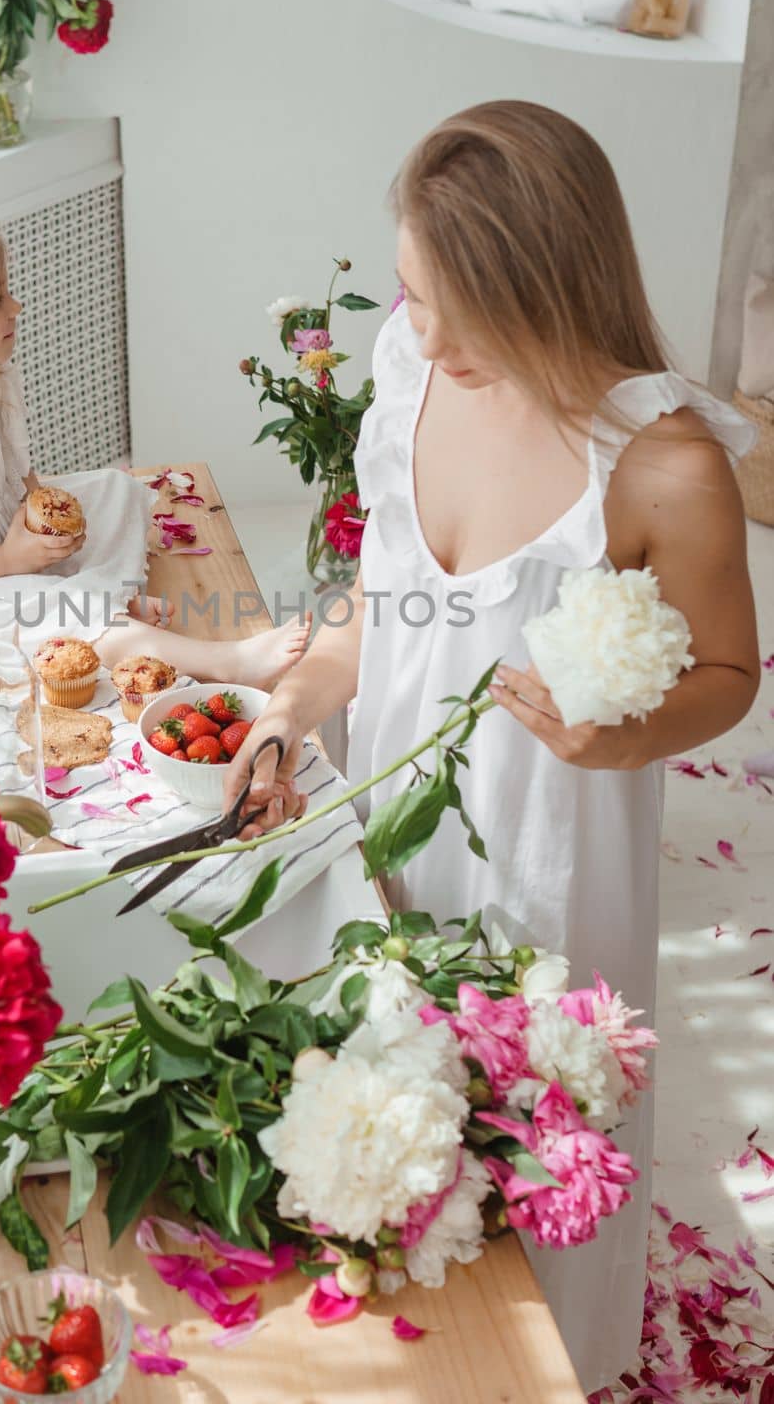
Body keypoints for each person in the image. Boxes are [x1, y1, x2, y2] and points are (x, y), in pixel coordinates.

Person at [223, 101, 759, 1392]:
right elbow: (382, 597)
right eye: (413, 295)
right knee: (380, 1141)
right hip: (397, 816)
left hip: (550, 855)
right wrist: (299, 703)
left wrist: (619, 737)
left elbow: (730, 675)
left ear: (549, 284)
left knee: (535, 1153)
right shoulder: (409, 376)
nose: (431, 334)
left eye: (463, 304)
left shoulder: (661, 464)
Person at [0, 206, 310, 678]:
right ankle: (222, 661)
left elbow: (14, 471)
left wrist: (43, 526)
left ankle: (97, 598)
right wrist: (8, 560)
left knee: (113, 491)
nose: (15, 307)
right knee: (65, 621)